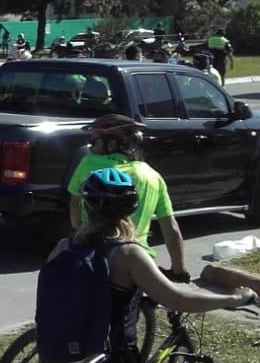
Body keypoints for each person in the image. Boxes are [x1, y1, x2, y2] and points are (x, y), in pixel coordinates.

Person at [46, 168, 256, 363]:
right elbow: (177, 299)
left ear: (86, 205)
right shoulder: (128, 255)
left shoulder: (63, 247)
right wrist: (231, 299)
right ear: (131, 209)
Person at [66, 115, 186, 277]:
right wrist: (179, 271)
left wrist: (79, 231)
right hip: (138, 262)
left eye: (94, 141)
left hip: (92, 256)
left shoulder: (88, 163)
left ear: (113, 143)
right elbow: (171, 229)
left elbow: (75, 203)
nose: (90, 146)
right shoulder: (152, 175)